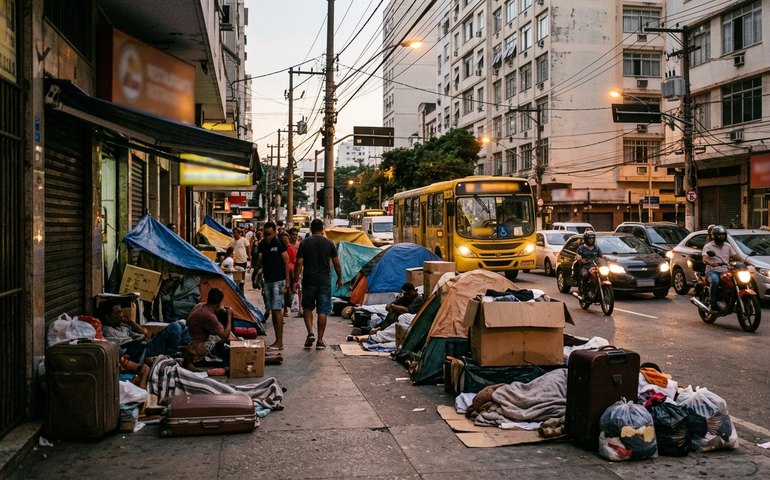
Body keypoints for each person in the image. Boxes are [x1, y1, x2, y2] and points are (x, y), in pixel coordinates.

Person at [294, 219, 342, 350]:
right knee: (323, 311)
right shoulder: (329, 243)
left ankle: (310, 332)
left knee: (308, 308)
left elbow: (299, 263)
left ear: (311, 229)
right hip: (324, 282)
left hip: (308, 281)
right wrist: (340, 278)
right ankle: (320, 340)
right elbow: (336, 263)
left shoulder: (304, 243)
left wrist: (295, 280)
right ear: (322, 229)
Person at [97, 299, 190, 362]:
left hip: (146, 345)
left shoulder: (121, 326)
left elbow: (144, 332)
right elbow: (131, 343)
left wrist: (130, 322)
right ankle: (173, 354)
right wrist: (144, 337)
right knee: (174, 327)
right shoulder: (107, 330)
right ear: (108, 317)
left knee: (182, 324)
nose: (122, 315)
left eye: (121, 311)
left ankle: (187, 356)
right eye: (118, 312)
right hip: (142, 351)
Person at [256, 221, 291, 350]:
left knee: (277, 311)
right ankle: (277, 341)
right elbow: (260, 261)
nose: (267, 237)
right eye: (265, 234)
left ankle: (279, 342)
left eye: (269, 234)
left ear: (275, 232)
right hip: (268, 281)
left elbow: (286, 261)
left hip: (278, 281)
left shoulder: (279, 243)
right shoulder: (262, 244)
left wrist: (287, 282)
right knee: (272, 310)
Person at [186, 287, 235, 368]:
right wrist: (229, 315)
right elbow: (225, 336)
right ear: (219, 303)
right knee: (226, 352)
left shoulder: (200, 305)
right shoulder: (209, 316)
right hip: (195, 346)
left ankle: (234, 345)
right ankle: (202, 360)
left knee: (222, 338)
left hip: (191, 339)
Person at [702, 225, 740, 313]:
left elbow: (735, 257)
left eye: (723, 234)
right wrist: (711, 262)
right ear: (714, 236)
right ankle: (713, 304)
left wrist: (746, 262)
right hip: (712, 271)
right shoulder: (708, 246)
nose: (721, 236)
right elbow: (704, 258)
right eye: (719, 234)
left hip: (726, 270)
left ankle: (729, 300)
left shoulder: (728, 246)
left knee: (737, 281)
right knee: (715, 281)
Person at [280, 231, 298, 317]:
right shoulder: (279, 248)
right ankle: (284, 309)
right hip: (281, 272)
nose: (285, 241)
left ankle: (286, 309)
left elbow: (294, 261)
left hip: (290, 272)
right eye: (283, 239)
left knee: (288, 290)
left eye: (286, 239)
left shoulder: (290, 248)